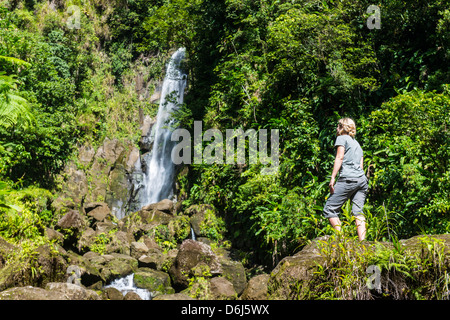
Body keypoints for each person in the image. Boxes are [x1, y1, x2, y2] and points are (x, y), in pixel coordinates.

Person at [323, 118, 368, 241]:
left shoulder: (341, 138)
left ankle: (341, 241)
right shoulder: (357, 144)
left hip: (348, 178)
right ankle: (363, 243)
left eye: (338, 126)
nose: (336, 128)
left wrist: (332, 178)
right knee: (358, 211)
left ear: (343, 128)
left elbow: (339, 157)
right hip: (362, 180)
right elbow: (361, 166)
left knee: (330, 209)